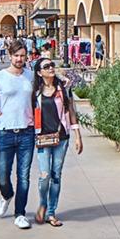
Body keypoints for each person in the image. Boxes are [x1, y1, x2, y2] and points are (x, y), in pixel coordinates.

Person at [0, 40, 36, 230]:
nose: (19, 59)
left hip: (27, 132)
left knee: (24, 175)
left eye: (22, 55)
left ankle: (20, 213)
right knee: (2, 175)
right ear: (10, 55)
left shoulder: (31, 76)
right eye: (16, 56)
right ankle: (7, 195)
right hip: (5, 133)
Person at [31, 58, 83, 227]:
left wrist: (77, 135)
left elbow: (71, 111)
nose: (51, 68)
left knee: (56, 175)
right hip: (43, 137)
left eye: (52, 65)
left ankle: (51, 212)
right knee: (44, 176)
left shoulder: (63, 89)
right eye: (46, 66)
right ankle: (43, 205)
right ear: (39, 72)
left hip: (61, 138)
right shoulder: (35, 92)